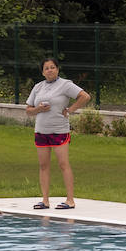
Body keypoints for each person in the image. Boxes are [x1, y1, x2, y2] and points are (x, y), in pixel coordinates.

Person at [25, 58, 91, 210]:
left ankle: (70, 200)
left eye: (52, 67)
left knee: (63, 164)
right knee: (43, 165)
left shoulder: (65, 84)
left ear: (57, 69)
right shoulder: (38, 87)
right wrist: (38, 109)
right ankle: (45, 200)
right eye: (46, 68)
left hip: (59, 130)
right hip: (41, 130)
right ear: (42, 72)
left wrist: (70, 110)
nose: (50, 70)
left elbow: (85, 96)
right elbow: (28, 110)